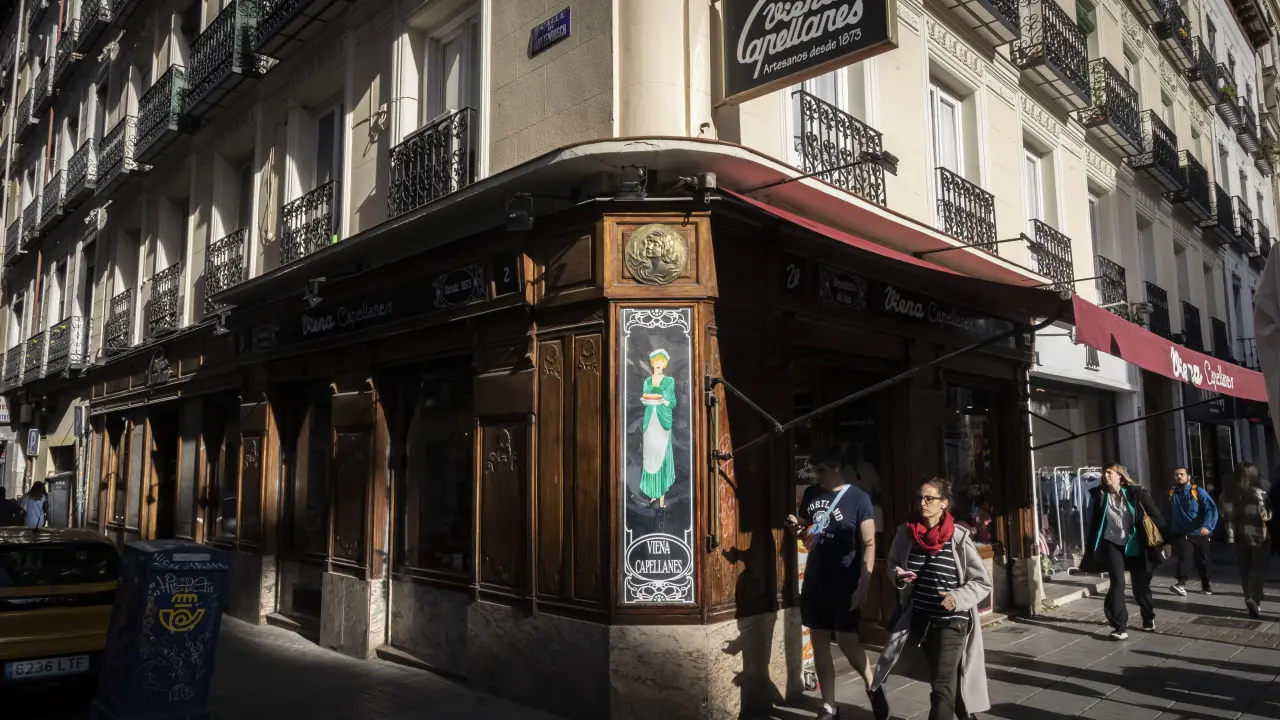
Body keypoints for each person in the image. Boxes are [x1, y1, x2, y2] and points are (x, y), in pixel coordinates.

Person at [872, 477, 991, 720]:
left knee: (941, 685)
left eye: (929, 498)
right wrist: (898, 576)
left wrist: (957, 597)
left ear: (944, 503)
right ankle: (966, 716)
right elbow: (892, 564)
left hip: (953, 622)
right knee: (946, 678)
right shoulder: (907, 534)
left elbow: (982, 582)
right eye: (920, 498)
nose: (923, 503)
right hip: (921, 621)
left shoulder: (958, 537)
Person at [785, 446, 888, 720]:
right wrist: (797, 528)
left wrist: (864, 584)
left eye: (821, 471)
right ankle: (829, 706)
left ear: (836, 468)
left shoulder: (858, 498)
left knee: (847, 643)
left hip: (846, 579)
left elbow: (869, 543)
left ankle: (872, 684)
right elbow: (806, 531)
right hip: (816, 578)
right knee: (819, 641)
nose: (817, 476)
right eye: (814, 471)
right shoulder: (811, 493)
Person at [1079, 463, 1165, 639]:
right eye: (1104, 473)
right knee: (1117, 583)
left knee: (1140, 587)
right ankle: (1120, 627)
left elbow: (1156, 516)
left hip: (1136, 544)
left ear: (1120, 475)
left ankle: (1148, 616)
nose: (1105, 475)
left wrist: (1167, 542)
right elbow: (1096, 523)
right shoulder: (1100, 495)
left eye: (1109, 472)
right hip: (1112, 543)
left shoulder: (1136, 493)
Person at [1220, 462, 1272, 618]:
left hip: (1237, 536)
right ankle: (1254, 598)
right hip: (1258, 536)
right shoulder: (1259, 493)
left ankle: (1248, 596)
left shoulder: (1227, 493)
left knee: (1244, 569)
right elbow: (1267, 516)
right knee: (1258, 568)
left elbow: (1222, 512)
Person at [1165, 466, 1218, 596]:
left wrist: (1207, 526)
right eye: (1176, 475)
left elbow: (1210, 509)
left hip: (1199, 532)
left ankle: (1206, 584)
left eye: (1181, 474)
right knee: (1184, 555)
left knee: (1203, 560)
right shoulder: (1171, 493)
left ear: (1188, 477)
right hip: (1181, 532)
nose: (1179, 477)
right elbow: (1164, 512)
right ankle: (1181, 584)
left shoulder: (1198, 491)